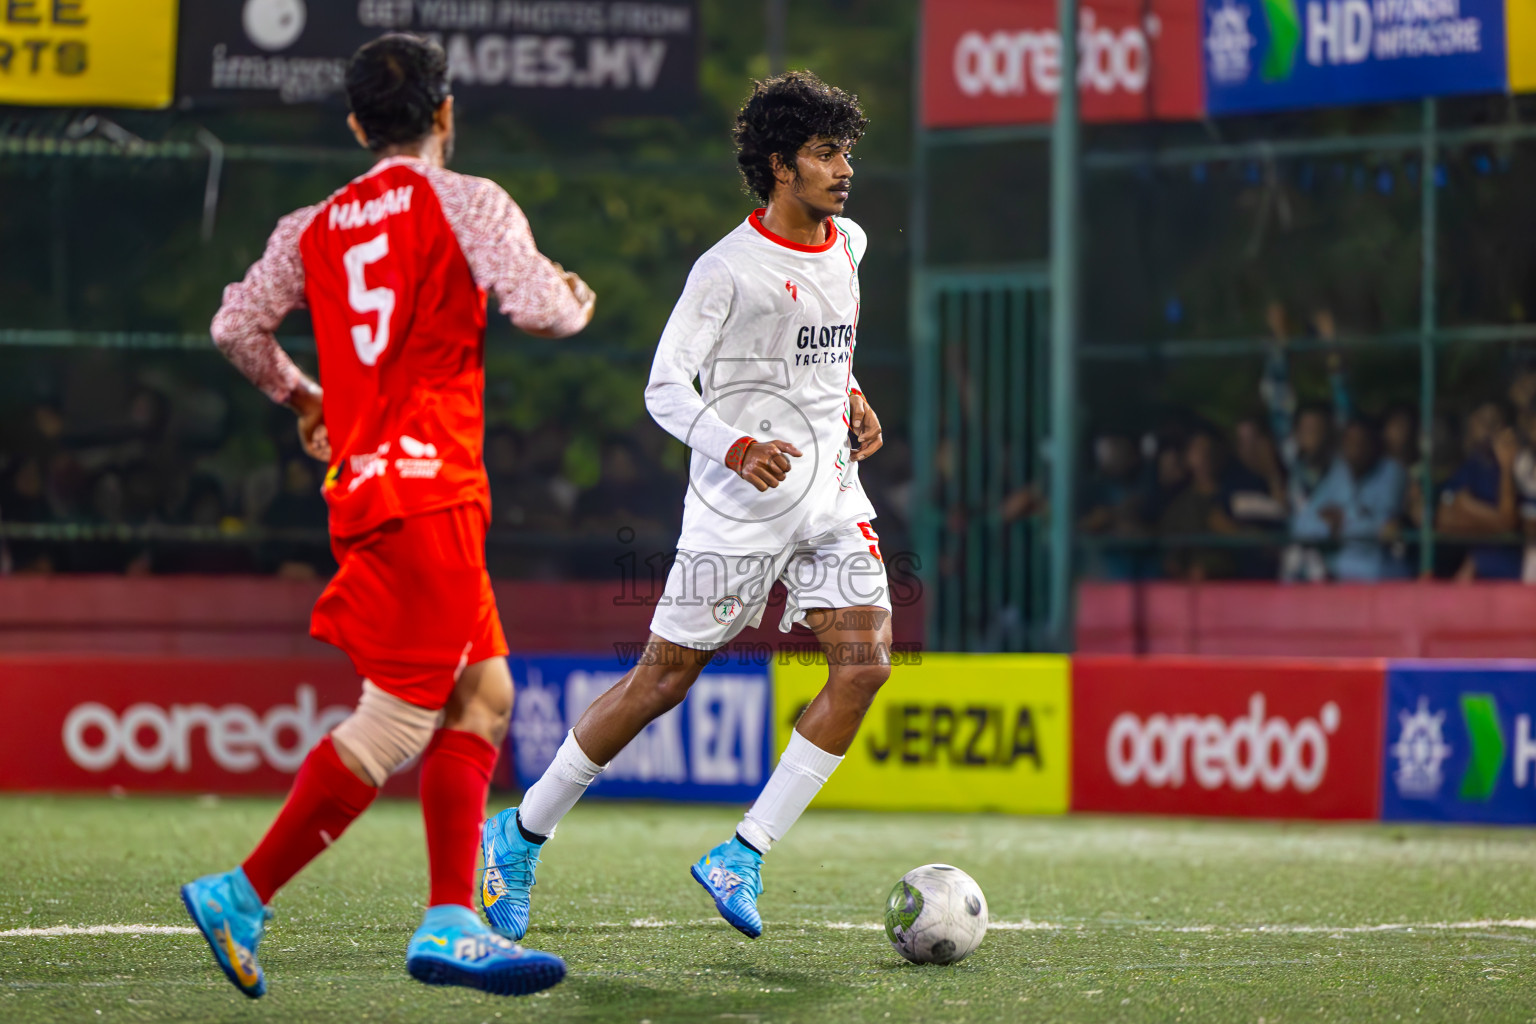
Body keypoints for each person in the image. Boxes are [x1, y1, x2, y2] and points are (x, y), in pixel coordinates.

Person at [179, 34, 594, 999]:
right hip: (432, 491)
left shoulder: (312, 225)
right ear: (448, 113)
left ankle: (453, 917)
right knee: (399, 717)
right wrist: (573, 293)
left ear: (360, 124)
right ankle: (244, 891)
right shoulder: (469, 200)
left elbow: (235, 327)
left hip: (368, 489)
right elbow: (543, 309)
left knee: (483, 695)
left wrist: (305, 399)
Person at [478, 71, 889, 944]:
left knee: (865, 665)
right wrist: (738, 446)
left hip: (827, 492)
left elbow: (817, 346)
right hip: (737, 506)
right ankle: (518, 834)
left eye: (846, 150)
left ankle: (743, 852)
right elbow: (665, 387)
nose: (843, 168)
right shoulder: (726, 268)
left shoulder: (848, 243)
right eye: (825, 153)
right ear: (781, 166)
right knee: (662, 681)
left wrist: (852, 394)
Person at [1291, 418, 1407, 581]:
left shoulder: (1391, 472)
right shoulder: (1339, 473)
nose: (1355, 447)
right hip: (1341, 580)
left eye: (1361, 441)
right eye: (1349, 441)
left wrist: (1341, 523)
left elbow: (1385, 529)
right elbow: (1302, 526)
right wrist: (1330, 527)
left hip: (1382, 579)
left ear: (1373, 445)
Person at [1437, 400, 1521, 580]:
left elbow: (1509, 521)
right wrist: (1499, 522)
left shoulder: (1516, 467)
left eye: (1495, 422)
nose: (1489, 428)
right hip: (1476, 571)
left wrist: (1468, 507)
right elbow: (1445, 521)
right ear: (1470, 425)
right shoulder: (1468, 467)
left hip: (1510, 571)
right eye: (1482, 421)